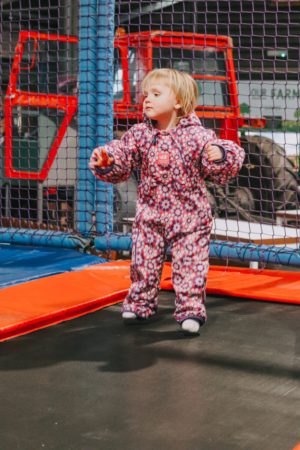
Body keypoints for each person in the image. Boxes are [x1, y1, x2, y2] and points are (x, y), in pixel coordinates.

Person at [89, 68, 245, 334]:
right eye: (146, 94)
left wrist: (220, 155)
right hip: (151, 214)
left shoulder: (197, 136)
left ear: (178, 102)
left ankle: (190, 309)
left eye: (156, 94)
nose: (147, 99)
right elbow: (123, 155)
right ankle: (140, 303)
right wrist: (109, 160)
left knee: (190, 265)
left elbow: (222, 164)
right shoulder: (140, 134)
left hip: (190, 217)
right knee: (143, 262)